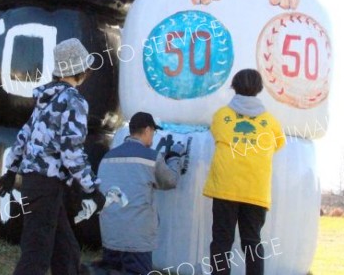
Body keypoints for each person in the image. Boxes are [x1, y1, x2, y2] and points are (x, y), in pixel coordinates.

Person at [0, 38, 106, 275]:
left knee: (66, 252)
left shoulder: (46, 100)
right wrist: (91, 189)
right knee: (36, 256)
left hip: (35, 184)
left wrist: (11, 171)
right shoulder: (74, 101)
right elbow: (71, 151)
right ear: (81, 70)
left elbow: (24, 136)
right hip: (48, 185)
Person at [203, 69, 285, 275]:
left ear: (234, 86)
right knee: (253, 243)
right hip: (255, 190)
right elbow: (278, 144)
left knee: (222, 242)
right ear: (259, 88)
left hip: (225, 187)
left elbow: (215, 134)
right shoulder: (271, 122)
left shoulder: (222, 116)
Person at [96, 111, 186, 275]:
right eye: (153, 132)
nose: (153, 137)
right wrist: (174, 157)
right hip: (136, 236)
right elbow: (170, 181)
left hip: (110, 232)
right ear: (147, 130)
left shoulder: (108, 156)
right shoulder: (150, 157)